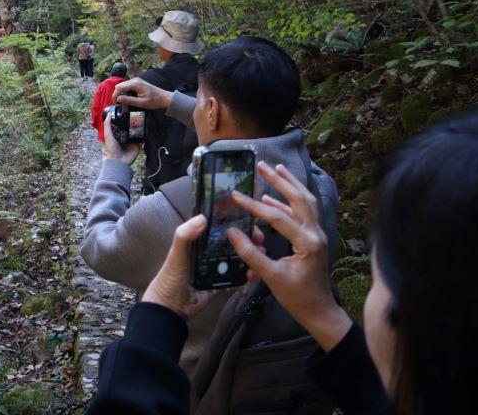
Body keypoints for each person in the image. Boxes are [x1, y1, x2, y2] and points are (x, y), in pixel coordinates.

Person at [85, 103, 478, 415]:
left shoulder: (163, 209)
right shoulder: (320, 185)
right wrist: (320, 312)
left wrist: (156, 314)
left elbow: (98, 248)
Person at [81, 35, 338, 372]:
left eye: (199, 100)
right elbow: (247, 132)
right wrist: (172, 101)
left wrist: (114, 164)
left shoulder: (178, 211)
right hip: (293, 381)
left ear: (212, 111)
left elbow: (100, 248)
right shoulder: (317, 187)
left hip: (201, 388)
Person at [139, 11, 202, 193]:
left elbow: (134, 132)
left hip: (161, 180)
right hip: (203, 176)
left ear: (167, 45)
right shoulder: (213, 78)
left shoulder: (148, 82)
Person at [91, 61, 129, 140]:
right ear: (125, 74)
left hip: (106, 127)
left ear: (112, 72)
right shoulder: (130, 85)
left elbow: (95, 107)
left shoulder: (102, 85)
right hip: (125, 129)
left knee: (108, 151)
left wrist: (97, 125)